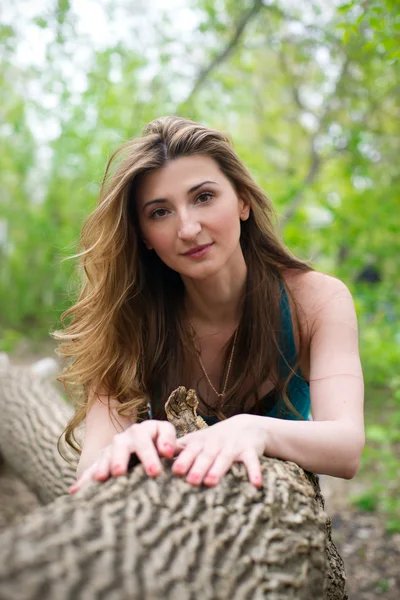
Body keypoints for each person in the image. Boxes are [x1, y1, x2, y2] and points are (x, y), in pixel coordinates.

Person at [51, 116, 365, 495]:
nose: (188, 228)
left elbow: (347, 447)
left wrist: (254, 429)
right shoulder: (128, 316)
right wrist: (129, 445)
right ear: (144, 236)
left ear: (243, 202)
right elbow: (93, 463)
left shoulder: (315, 301)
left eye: (204, 197)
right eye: (160, 212)